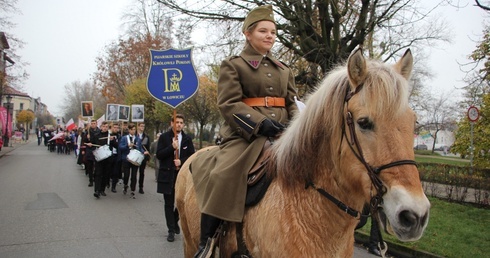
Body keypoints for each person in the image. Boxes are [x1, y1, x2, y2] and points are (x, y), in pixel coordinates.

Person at [191, 5, 298, 256]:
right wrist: (260, 124)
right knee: (223, 173)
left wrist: (297, 126)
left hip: (283, 133)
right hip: (245, 136)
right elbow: (228, 103)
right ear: (248, 34)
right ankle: (207, 241)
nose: (270, 35)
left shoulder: (284, 69)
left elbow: (293, 102)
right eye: (263, 30)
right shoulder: (234, 65)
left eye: (273, 31)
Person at [156, 114, 195, 242]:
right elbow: (159, 155)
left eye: (181, 122)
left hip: (181, 177)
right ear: (172, 123)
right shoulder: (164, 137)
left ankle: (174, 219)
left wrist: (181, 161)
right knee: (168, 203)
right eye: (176, 122)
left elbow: (192, 157)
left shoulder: (187, 139)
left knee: (180, 203)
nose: (179, 124)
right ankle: (171, 230)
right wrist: (171, 148)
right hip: (167, 175)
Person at [87, 121, 118, 198]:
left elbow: (116, 146)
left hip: (108, 158)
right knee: (98, 174)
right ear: (101, 127)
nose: (105, 128)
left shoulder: (110, 136)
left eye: (106, 127)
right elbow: (92, 144)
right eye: (103, 126)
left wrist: (112, 141)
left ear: (108, 127)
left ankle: (102, 190)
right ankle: (97, 190)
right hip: (99, 157)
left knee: (105, 174)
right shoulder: (96, 135)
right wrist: (90, 144)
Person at [118, 123, 144, 199]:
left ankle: (133, 189)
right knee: (126, 175)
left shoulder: (138, 139)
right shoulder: (124, 138)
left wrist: (143, 152)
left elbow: (140, 148)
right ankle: (125, 185)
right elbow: (120, 147)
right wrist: (127, 146)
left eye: (134, 129)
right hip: (126, 158)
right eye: (132, 129)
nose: (133, 131)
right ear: (129, 130)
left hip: (135, 159)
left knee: (134, 175)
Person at [135, 122, 150, 194]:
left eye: (143, 126)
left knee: (142, 172)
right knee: (134, 172)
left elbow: (148, 148)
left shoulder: (146, 136)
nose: (142, 128)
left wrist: (147, 158)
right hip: (135, 156)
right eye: (141, 126)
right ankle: (133, 186)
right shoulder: (134, 135)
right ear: (138, 126)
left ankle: (141, 187)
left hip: (143, 156)